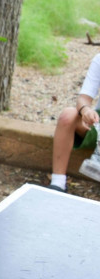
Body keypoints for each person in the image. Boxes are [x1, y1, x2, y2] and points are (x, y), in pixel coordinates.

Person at [49, 54, 100, 193]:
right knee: (68, 115)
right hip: (97, 123)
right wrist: (86, 110)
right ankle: (57, 183)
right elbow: (83, 98)